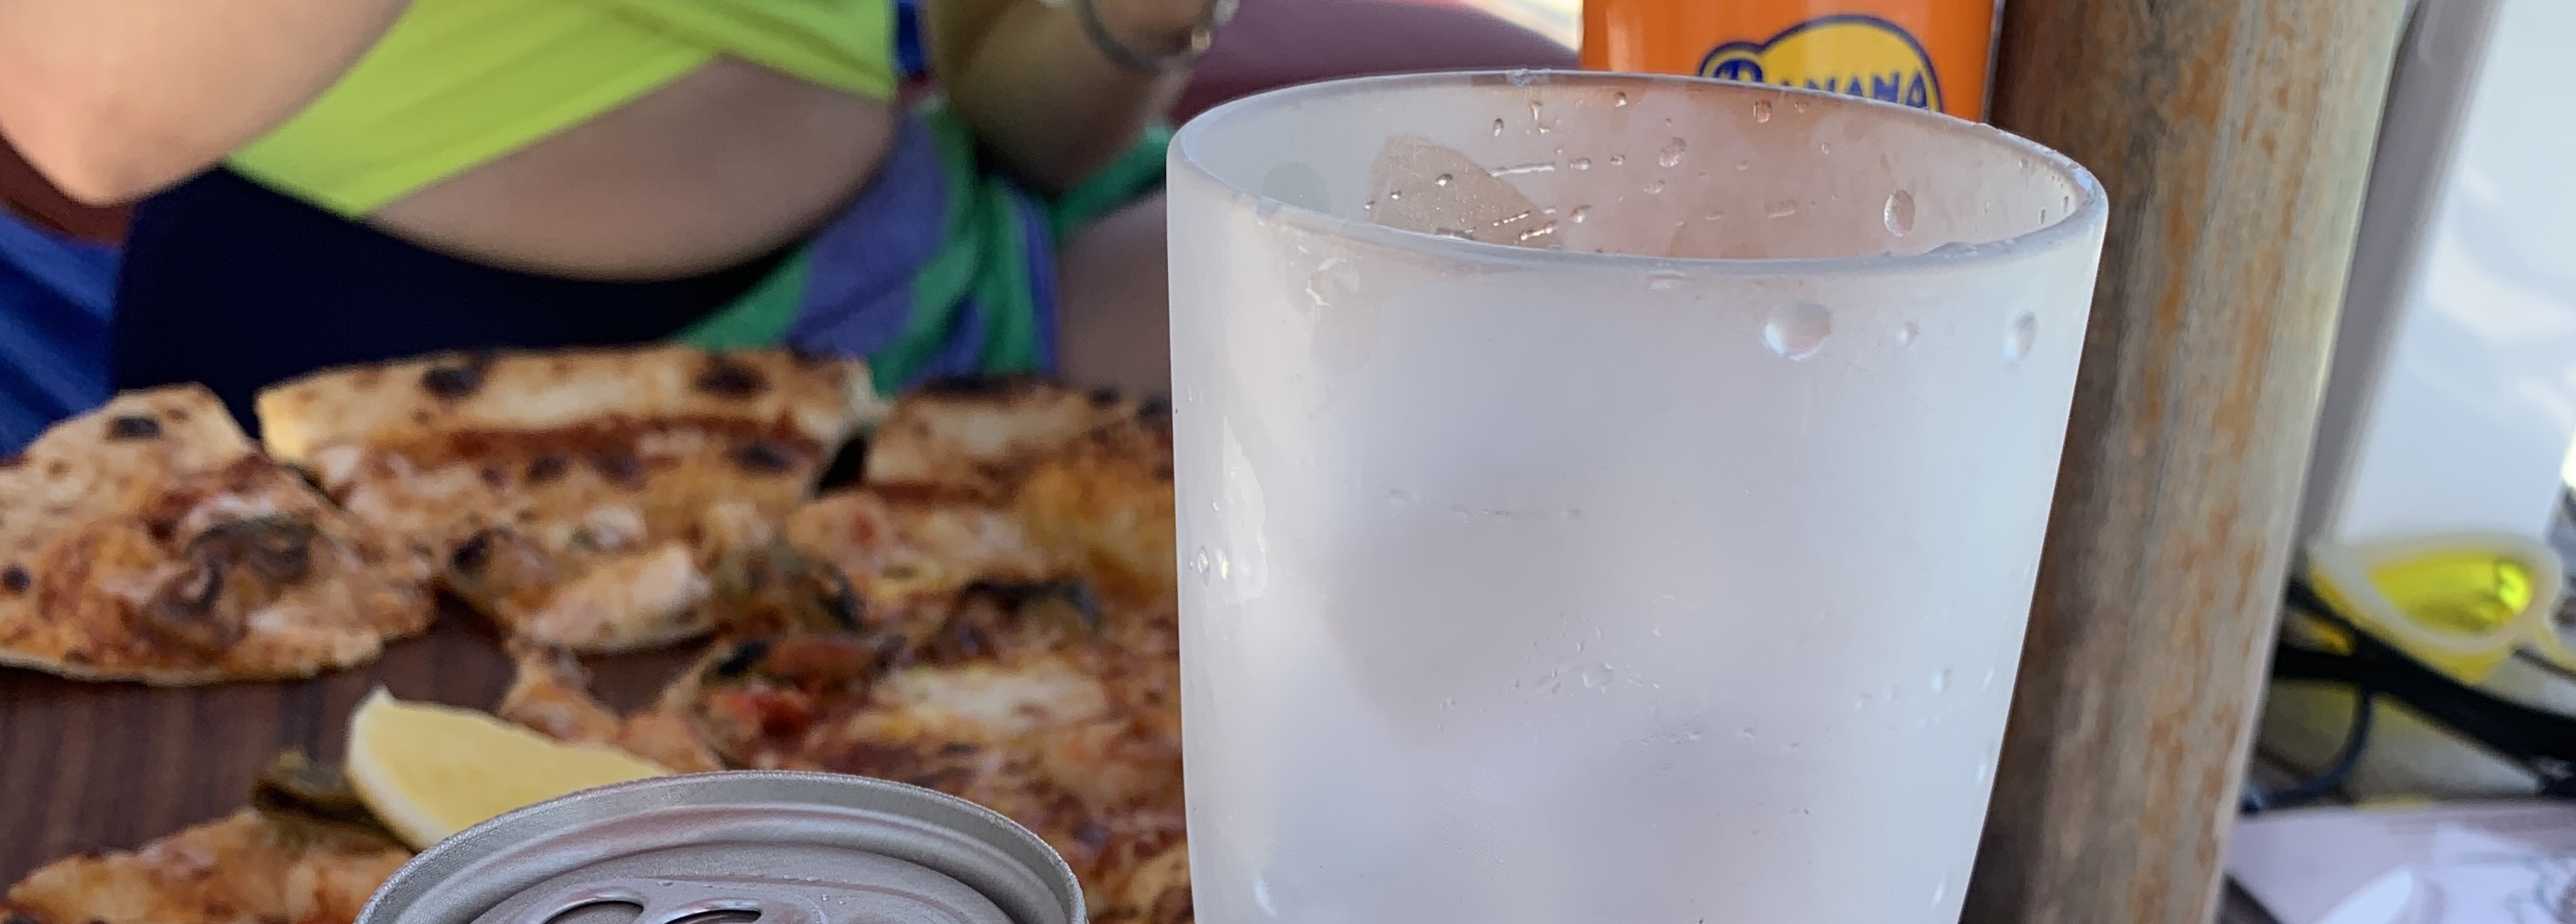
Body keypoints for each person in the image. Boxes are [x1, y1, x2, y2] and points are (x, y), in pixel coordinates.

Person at [0, 0, 1570, 426]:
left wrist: (1142, 12)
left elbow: (1023, 124)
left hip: (938, 285)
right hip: (437, 403)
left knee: (1554, 291)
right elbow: (94, 102)